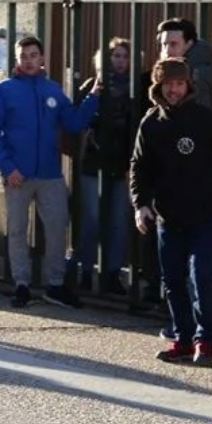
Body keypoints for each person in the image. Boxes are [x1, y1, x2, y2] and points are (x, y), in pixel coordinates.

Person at [131, 58, 212, 366]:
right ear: (159, 87)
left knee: (200, 276)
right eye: (168, 84)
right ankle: (181, 338)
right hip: (168, 215)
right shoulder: (151, 123)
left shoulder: (210, 121)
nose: (174, 90)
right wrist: (141, 204)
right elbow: (138, 167)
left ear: (188, 85)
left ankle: (204, 341)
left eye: (179, 84)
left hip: (206, 214)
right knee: (172, 280)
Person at [0, 36, 98, 308]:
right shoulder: (4, 89)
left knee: (58, 229)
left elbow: (72, 122)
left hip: (50, 174)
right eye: (23, 56)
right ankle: (21, 284)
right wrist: (8, 167)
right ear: (16, 60)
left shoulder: (53, 89)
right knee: (16, 231)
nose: (29, 60)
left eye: (34, 55)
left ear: (42, 58)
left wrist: (94, 97)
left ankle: (55, 285)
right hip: (17, 175)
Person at [69, 37, 138, 297]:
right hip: (92, 163)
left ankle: (111, 274)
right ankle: (85, 271)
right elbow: (76, 121)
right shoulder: (92, 85)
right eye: (116, 56)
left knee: (119, 222)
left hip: (121, 165)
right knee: (92, 220)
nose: (120, 61)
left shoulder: (134, 88)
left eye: (124, 56)